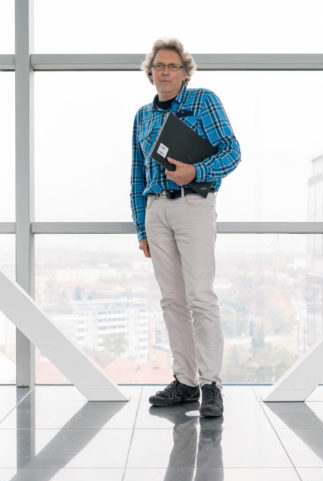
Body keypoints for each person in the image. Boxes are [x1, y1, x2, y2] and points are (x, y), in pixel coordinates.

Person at [131, 38, 241, 417]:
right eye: (158, 66)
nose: (164, 72)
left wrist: (197, 171)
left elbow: (232, 151)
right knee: (172, 300)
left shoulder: (203, 102)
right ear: (150, 73)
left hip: (193, 205)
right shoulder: (142, 117)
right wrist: (141, 227)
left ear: (184, 72)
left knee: (200, 297)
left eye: (172, 66)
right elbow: (136, 174)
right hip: (156, 210)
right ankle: (186, 382)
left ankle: (211, 384)